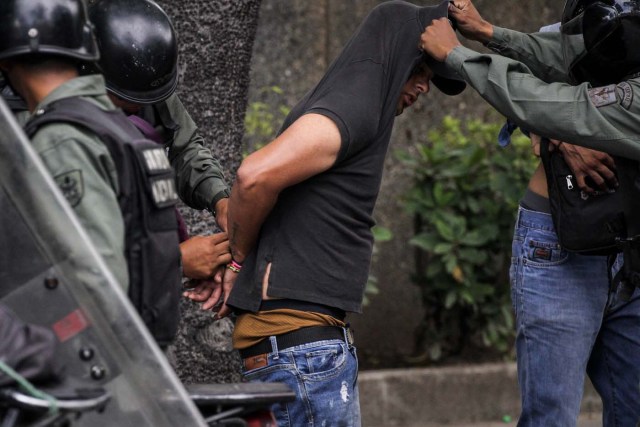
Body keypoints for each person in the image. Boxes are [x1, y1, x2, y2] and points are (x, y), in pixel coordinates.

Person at [185, 1, 465, 425]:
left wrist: (238, 261)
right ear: (396, 57)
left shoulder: (352, 102)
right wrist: (239, 257)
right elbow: (254, 177)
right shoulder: (354, 106)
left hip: (297, 353)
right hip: (305, 359)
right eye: (422, 72)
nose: (424, 88)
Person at [420, 1, 640, 425]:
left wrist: (458, 55)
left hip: (631, 255)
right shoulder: (612, 23)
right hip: (560, 244)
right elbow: (567, 55)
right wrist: (489, 33)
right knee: (551, 417)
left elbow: (558, 105)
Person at [87, 0, 232, 283]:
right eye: (123, 99)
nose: (134, 106)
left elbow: (184, 147)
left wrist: (221, 200)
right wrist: (174, 261)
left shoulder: (146, 84)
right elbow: (75, 251)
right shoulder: (65, 133)